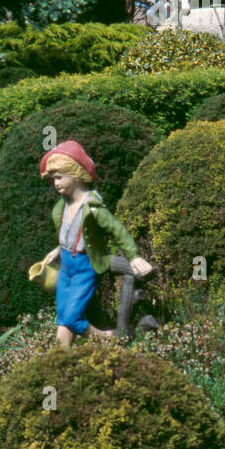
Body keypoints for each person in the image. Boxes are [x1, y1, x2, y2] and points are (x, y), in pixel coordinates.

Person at [37, 140, 152, 346]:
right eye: (53, 179)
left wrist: (133, 257)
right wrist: (57, 250)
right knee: (62, 315)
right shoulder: (62, 206)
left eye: (59, 177)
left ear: (75, 174)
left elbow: (118, 231)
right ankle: (58, 358)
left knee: (72, 317)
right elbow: (70, 234)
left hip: (84, 266)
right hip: (65, 266)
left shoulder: (93, 207)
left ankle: (109, 338)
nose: (56, 183)